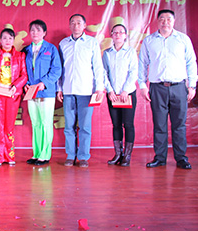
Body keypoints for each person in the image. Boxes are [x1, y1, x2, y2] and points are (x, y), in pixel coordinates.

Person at [139, 9, 198, 170]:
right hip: (157, 88)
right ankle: (160, 158)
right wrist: (143, 86)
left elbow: (191, 62)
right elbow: (142, 63)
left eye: (168, 19)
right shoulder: (149, 40)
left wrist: (192, 85)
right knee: (159, 125)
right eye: (162, 19)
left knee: (179, 125)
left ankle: (181, 158)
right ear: (157, 21)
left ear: (174, 21)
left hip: (179, 87)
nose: (165, 22)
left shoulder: (183, 39)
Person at [57, 14, 105, 168]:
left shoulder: (92, 42)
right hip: (68, 90)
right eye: (73, 23)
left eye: (79, 23)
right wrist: (59, 88)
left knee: (84, 126)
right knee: (69, 126)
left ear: (84, 25)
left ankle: (83, 156)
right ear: (69, 25)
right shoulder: (63, 43)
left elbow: (98, 66)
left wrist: (99, 88)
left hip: (86, 90)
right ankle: (71, 155)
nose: (76, 25)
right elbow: (60, 68)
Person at [22, 19, 62, 166]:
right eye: (32, 30)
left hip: (46, 91)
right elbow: (22, 71)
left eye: (38, 30)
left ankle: (45, 155)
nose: (35, 33)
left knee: (46, 123)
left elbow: (56, 70)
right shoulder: (26, 50)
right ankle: (36, 153)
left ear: (44, 33)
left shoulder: (51, 49)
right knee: (35, 123)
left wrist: (44, 83)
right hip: (31, 92)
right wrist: (25, 84)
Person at [0, 28, 27, 166]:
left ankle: (9, 155)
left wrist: (16, 86)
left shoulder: (20, 56)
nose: (7, 41)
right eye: (4, 38)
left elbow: (24, 75)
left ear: (14, 40)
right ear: (0, 40)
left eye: (10, 38)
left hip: (12, 94)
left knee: (9, 126)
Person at [102, 24, 138, 167]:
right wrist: (110, 90)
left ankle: (127, 156)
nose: (117, 35)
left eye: (121, 32)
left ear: (125, 36)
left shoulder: (130, 52)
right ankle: (118, 154)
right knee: (116, 124)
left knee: (128, 124)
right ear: (111, 35)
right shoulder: (107, 53)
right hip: (113, 95)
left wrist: (125, 90)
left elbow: (133, 72)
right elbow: (104, 73)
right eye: (115, 32)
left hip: (127, 94)